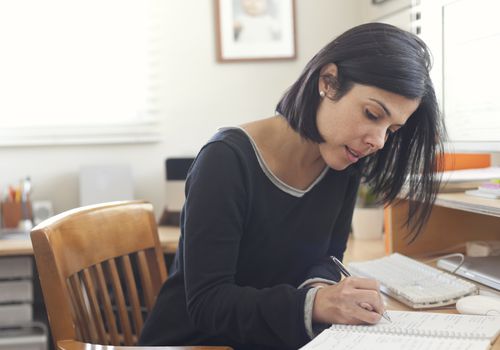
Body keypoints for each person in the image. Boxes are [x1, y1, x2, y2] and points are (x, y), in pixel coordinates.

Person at [139, 23, 445, 350]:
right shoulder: (225, 161)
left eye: (392, 129)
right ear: (328, 82)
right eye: (372, 114)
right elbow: (208, 304)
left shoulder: (343, 162)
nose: (379, 141)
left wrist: (320, 290)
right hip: (196, 344)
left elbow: (329, 256)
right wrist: (316, 304)